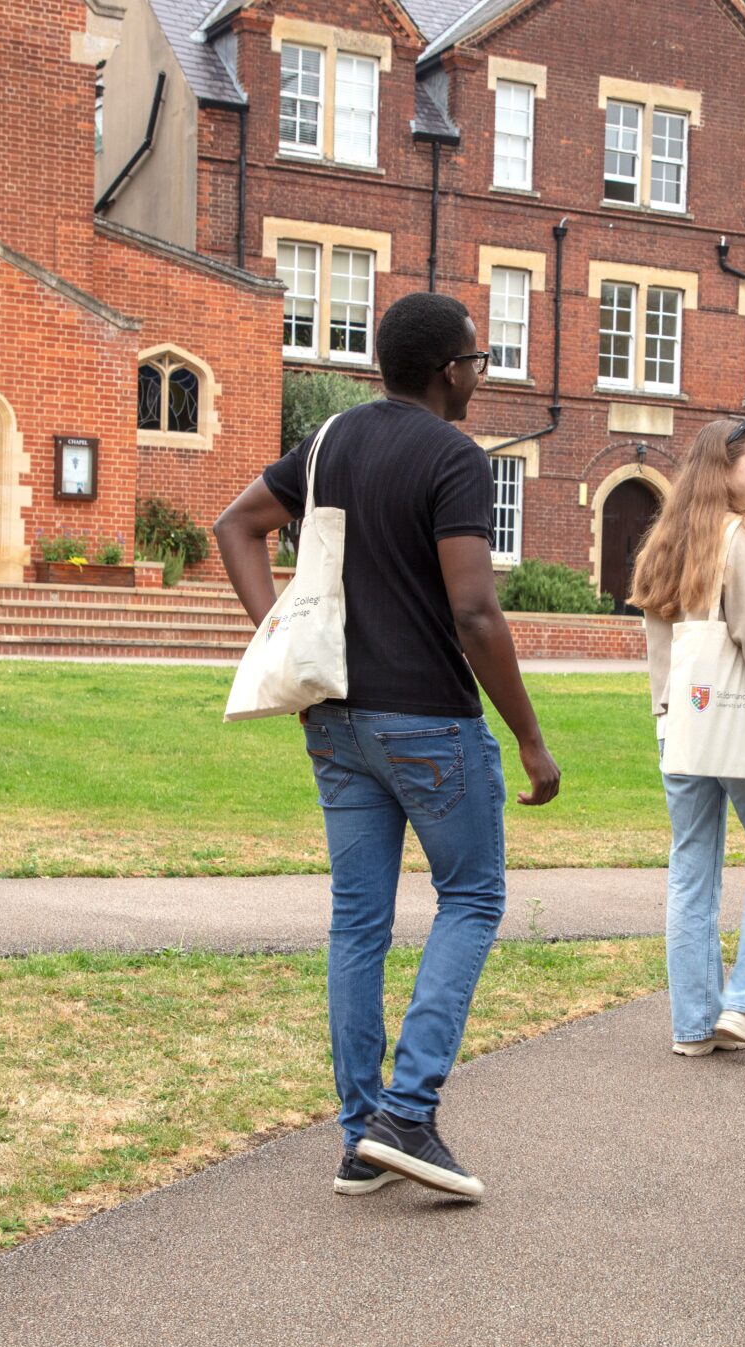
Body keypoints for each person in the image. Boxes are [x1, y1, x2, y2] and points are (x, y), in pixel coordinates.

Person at [215, 292, 561, 1201]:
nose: (481, 374)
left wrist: (278, 643)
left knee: (357, 923)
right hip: (430, 724)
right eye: (479, 361)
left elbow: (235, 526)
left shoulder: (330, 442)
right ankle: (407, 1114)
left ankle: (361, 1132)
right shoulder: (454, 457)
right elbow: (476, 609)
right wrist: (530, 738)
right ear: (450, 368)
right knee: (475, 896)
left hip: (335, 717)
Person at [629, 418, 745, 1059]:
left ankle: (694, 1025)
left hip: (682, 727)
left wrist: (665, 716)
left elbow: (657, 647)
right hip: (743, 724)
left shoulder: (665, 540)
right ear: (723, 468)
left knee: (691, 873)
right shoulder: (743, 541)